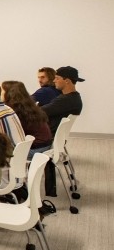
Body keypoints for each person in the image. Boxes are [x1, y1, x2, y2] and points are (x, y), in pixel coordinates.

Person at [41, 66, 84, 196]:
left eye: (57, 78)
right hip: (56, 139)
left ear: (67, 81)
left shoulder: (65, 100)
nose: (54, 81)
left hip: (48, 139)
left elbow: (40, 111)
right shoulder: (73, 98)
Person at [1, 81, 52, 153]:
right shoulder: (27, 105)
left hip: (35, 149)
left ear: (9, 93)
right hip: (45, 145)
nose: (0, 93)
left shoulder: (12, 110)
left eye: (2, 90)